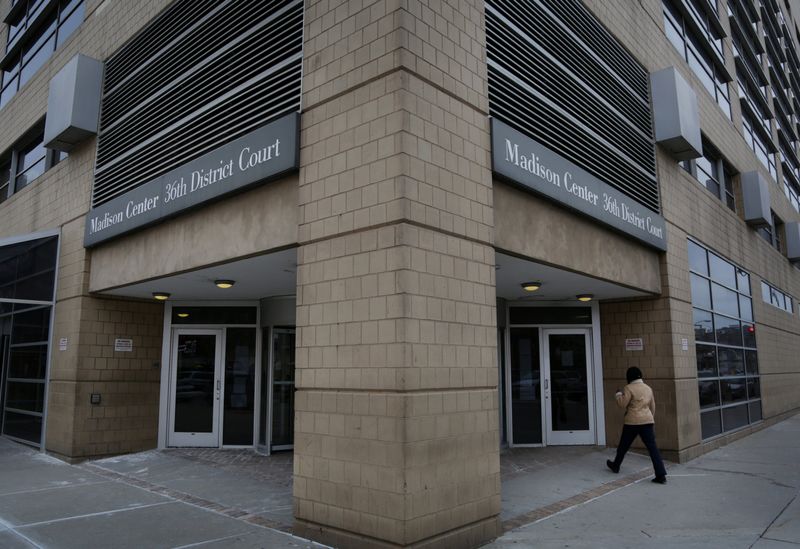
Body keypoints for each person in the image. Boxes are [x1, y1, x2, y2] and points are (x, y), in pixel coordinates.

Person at [606, 366, 667, 484]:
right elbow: (653, 406)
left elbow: (622, 404)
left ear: (629, 377)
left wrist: (618, 395)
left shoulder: (629, 388)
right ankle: (661, 475)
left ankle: (616, 465)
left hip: (632, 422)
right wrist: (650, 418)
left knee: (623, 446)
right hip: (647, 421)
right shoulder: (648, 388)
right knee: (653, 449)